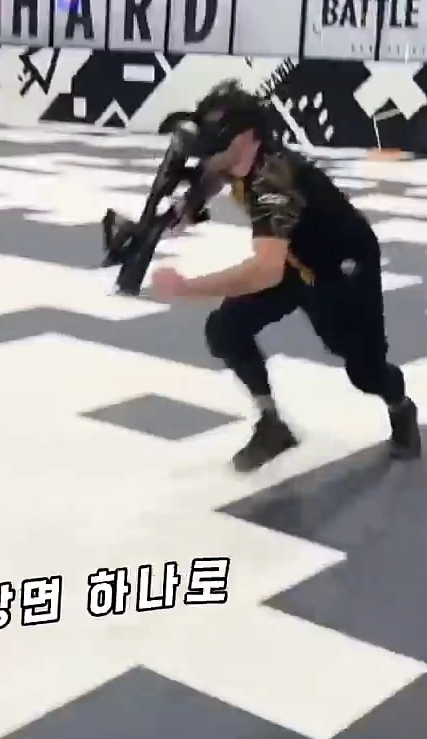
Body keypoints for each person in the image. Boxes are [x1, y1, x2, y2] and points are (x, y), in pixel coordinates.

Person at [151, 80, 421, 472]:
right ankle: (272, 425)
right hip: (293, 260)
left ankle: (400, 406)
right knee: (226, 329)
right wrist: (187, 206)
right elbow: (214, 174)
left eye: (217, 135)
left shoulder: (273, 178)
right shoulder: (236, 159)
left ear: (246, 137)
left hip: (340, 268)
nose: (207, 149)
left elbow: (264, 271)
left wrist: (186, 288)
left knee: (364, 371)